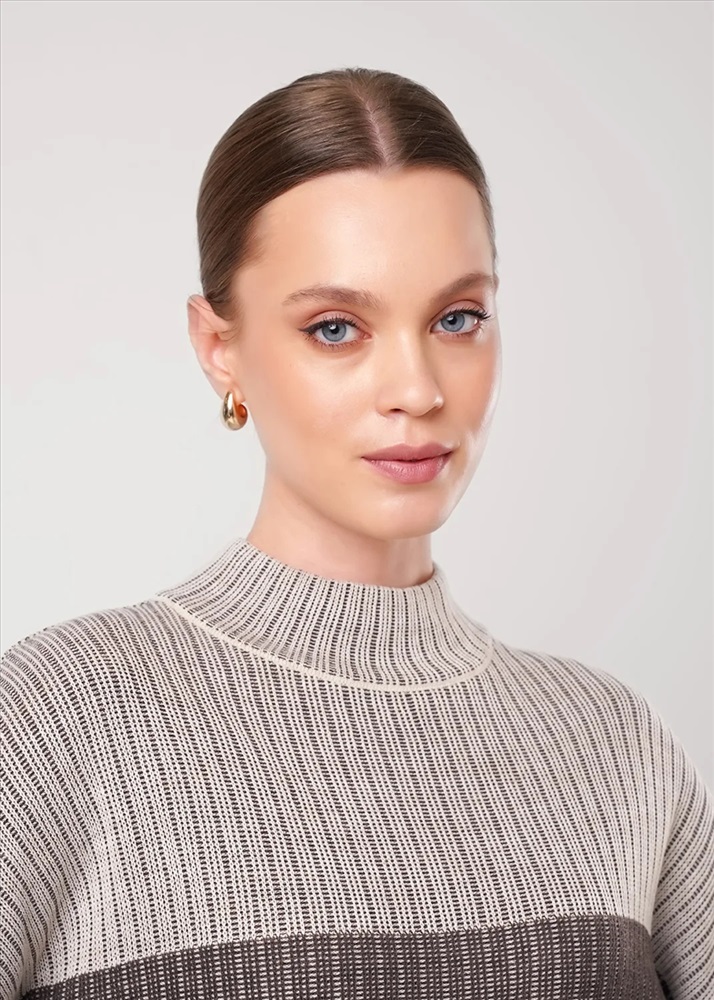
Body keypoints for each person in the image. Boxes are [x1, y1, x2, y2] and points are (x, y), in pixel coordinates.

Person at [1, 67, 712, 1000]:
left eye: (458, 318)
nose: (416, 389)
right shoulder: (52, 725)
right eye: (336, 329)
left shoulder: (616, 747)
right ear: (220, 349)